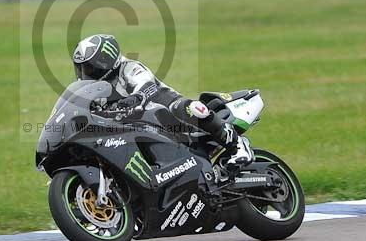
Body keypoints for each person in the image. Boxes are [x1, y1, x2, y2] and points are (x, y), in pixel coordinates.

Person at [72, 33, 253, 167]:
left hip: (167, 114)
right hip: (138, 131)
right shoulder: (96, 90)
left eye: (89, 67)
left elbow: (145, 86)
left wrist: (132, 99)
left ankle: (237, 144)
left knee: (189, 108)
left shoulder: (129, 68)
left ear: (106, 60)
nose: (84, 74)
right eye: (81, 68)